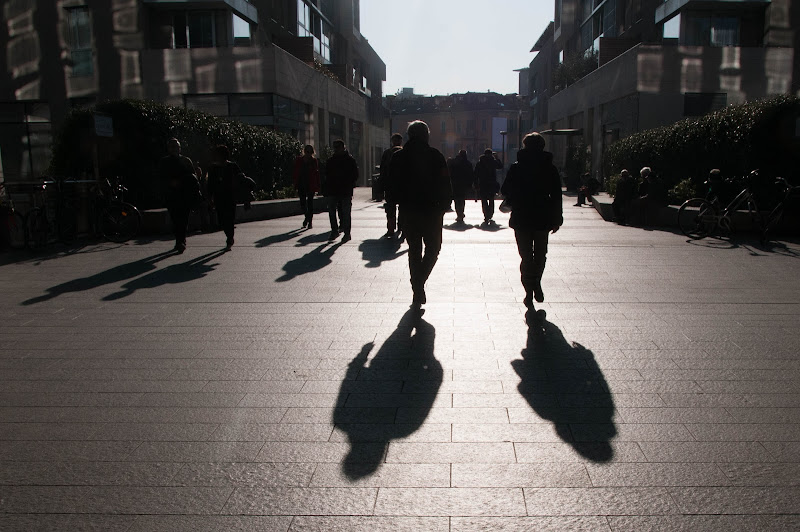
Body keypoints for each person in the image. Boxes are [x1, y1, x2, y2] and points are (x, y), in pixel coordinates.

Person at [390, 120, 451, 309]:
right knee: (433, 249)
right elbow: (445, 182)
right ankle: (419, 283)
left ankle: (417, 285)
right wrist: (445, 204)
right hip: (432, 211)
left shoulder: (399, 157)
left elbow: (392, 184)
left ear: (409, 135)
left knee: (414, 250)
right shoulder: (435, 155)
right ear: (426, 135)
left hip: (409, 210)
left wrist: (393, 207)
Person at [500, 132, 562, 310]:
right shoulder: (550, 168)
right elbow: (557, 195)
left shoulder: (516, 167)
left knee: (526, 256)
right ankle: (536, 282)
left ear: (525, 146)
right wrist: (557, 218)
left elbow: (505, 190)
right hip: (543, 216)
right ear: (542, 147)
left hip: (521, 217)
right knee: (540, 254)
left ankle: (529, 289)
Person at [158, 138, 198, 253]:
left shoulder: (186, 160)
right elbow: (160, 178)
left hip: (184, 195)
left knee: (184, 219)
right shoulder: (164, 162)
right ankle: (179, 240)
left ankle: (181, 241)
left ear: (179, 148)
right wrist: (169, 183)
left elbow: (192, 177)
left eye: (176, 146)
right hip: (171, 195)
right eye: (171, 146)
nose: (174, 149)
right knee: (175, 219)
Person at [206, 144, 241, 251]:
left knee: (230, 218)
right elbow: (210, 184)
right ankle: (228, 234)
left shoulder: (232, 166)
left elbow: (240, 179)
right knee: (221, 219)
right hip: (219, 197)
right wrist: (209, 197)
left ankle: (230, 237)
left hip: (230, 197)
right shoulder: (213, 168)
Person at [324, 139, 358, 242]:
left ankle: (347, 233)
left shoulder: (350, 160)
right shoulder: (331, 161)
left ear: (343, 147)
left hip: (345, 190)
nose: (336, 149)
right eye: (335, 147)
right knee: (332, 211)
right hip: (333, 190)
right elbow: (326, 175)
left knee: (346, 212)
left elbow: (355, 174)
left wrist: (350, 184)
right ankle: (334, 231)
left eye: (338, 147)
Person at [380, 133, 404, 238]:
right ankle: (401, 228)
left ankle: (391, 229)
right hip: (402, 186)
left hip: (390, 185)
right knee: (403, 208)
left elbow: (382, 170)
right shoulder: (405, 153)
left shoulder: (387, 153)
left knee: (390, 208)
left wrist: (382, 184)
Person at [292, 144, 321, 229]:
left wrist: (318, 185)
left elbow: (316, 173)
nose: (308, 153)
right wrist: (295, 182)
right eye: (306, 151)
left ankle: (310, 221)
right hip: (301, 184)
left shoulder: (314, 161)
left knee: (310, 203)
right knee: (303, 203)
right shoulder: (299, 160)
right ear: (304, 151)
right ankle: (307, 217)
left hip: (311, 184)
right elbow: (295, 172)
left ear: (312, 152)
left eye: (310, 152)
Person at [474, 148, 503, 224]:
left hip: (483, 184)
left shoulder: (480, 163)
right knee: (491, 200)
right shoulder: (493, 162)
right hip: (491, 184)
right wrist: (497, 158)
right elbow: (500, 166)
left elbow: (476, 175)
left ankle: (486, 214)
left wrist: (476, 184)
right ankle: (490, 214)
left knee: (484, 201)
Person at [448, 149, 473, 224]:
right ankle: (461, 212)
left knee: (456, 199)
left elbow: (450, 172)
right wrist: (470, 184)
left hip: (455, 183)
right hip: (464, 184)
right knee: (462, 199)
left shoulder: (454, 162)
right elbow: (471, 174)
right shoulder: (468, 163)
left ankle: (459, 213)